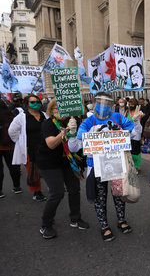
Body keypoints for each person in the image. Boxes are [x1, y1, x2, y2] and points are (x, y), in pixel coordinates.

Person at [68, 92, 142, 242]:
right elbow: (74, 147)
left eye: (107, 103)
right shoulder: (88, 122)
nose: (104, 105)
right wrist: (72, 133)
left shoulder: (119, 118)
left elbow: (135, 135)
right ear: (95, 104)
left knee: (119, 194)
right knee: (100, 197)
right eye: (101, 102)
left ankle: (121, 220)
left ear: (111, 105)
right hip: (96, 165)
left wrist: (136, 122)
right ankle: (104, 226)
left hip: (117, 163)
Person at [36, 99, 89, 239]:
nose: (59, 112)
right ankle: (46, 224)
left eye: (63, 109)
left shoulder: (74, 121)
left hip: (68, 161)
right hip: (49, 162)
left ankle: (75, 218)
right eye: (56, 109)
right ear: (51, 111)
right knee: (57, 193)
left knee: (74, 189)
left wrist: (75, 129)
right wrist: (64, 133)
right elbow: (51, 144)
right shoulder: (48, 124)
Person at [9, 94, 48, 201]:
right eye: (32, 102)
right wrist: (21, 142)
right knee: (32, 170)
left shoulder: (45, 115)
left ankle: (52, 186)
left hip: (45, 147)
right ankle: (37, 191)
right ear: (26, 104)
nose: (36, 104)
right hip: (29, 148)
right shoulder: (21, 117)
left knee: (48, 168)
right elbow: (12, 132)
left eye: (37, 101)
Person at [0, 100, 22, 198]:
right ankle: (16, 186)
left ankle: (0, 191)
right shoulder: (11, 115)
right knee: (14, 168)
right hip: (10, 145)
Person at [124, 98, 143, 172]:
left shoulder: (138, 112)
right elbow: (124, 120)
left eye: (132, 104)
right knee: (129, 150)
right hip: (128, 133)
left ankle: (136, 166)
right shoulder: (127, 111)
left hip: (136, 133)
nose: (130, 106)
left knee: (136, 151)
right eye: (129, 104)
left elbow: (138, 123)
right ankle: (130, 165)